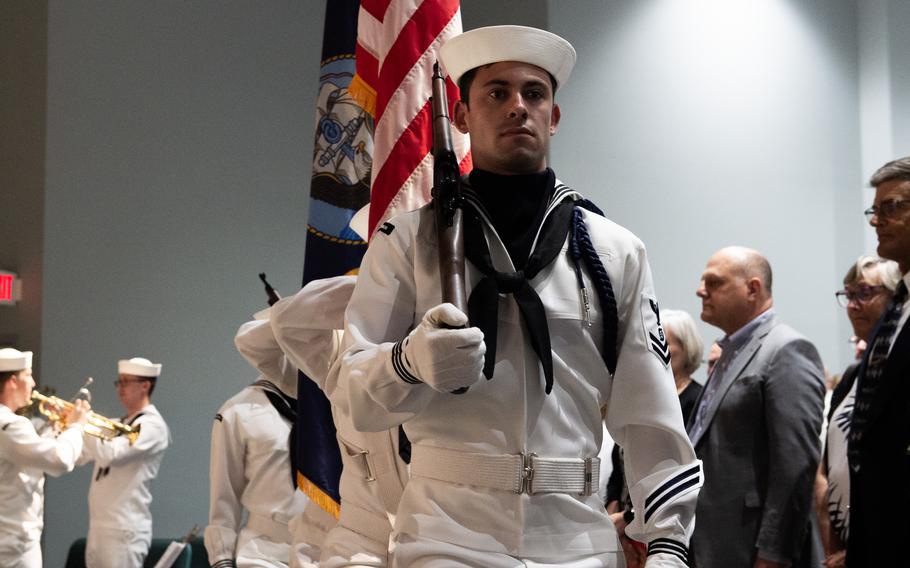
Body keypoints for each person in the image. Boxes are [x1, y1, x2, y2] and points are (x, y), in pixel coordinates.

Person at [337, 25, 701, 567]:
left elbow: (649, 412)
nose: (517, 107)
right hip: (446, 537)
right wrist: (407, 363)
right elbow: (353, 402)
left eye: (534, 93)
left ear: (554, 116)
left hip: (578, 540)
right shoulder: (408, 244)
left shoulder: (613, 251)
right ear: (460, 117)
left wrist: (669, 543)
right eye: (496, 92)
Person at [688, 246, 825, 568]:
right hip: (715, 543)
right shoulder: (732, 351)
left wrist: (773, 555)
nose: (700, 290)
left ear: (752, 288)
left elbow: (795, 465)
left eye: (714, 282)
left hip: (752, 550)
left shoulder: (787, 350)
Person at [271, 275, 409, 568]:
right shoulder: (340, 353)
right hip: (361, 544)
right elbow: (287, 319)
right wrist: (386, 281)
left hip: (436, 537)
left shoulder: (449, 345)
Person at [206, 316, 335, 568]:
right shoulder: (237, 412)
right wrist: (221, 558)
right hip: (262, 552)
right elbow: (224, 496)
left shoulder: (331, 410)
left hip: (325, 552)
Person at [815, 255, 900, 568]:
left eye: (864, 293)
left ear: (897, 299)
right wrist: (832, 541)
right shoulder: (852, 375)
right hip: (842, 538)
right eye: (848, 295)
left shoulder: (898, 372)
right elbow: (826, 466)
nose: (852, 305)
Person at [847, 156, 910, 567]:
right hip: (878, 523)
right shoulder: (896, 307)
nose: (876, 221)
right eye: (875, 209)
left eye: (892, 207)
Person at [0, 347, 90, 568]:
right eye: (28, 375)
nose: (33, 383)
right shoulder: (11, 424)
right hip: (14, 546)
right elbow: (60, 461)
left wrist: (56, 427)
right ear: (13, 381)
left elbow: (30, 454)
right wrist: (76, 426)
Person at [80, 357, 170, 568]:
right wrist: (67, 429)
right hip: (99, 526)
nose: (120, 388)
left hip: (124, 529)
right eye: (119, 382)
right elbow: (81, 455)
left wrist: (83, 423)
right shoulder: (118, 423)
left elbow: (110, 454)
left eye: (126, 382)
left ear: (145, 386)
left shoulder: (151, 426)